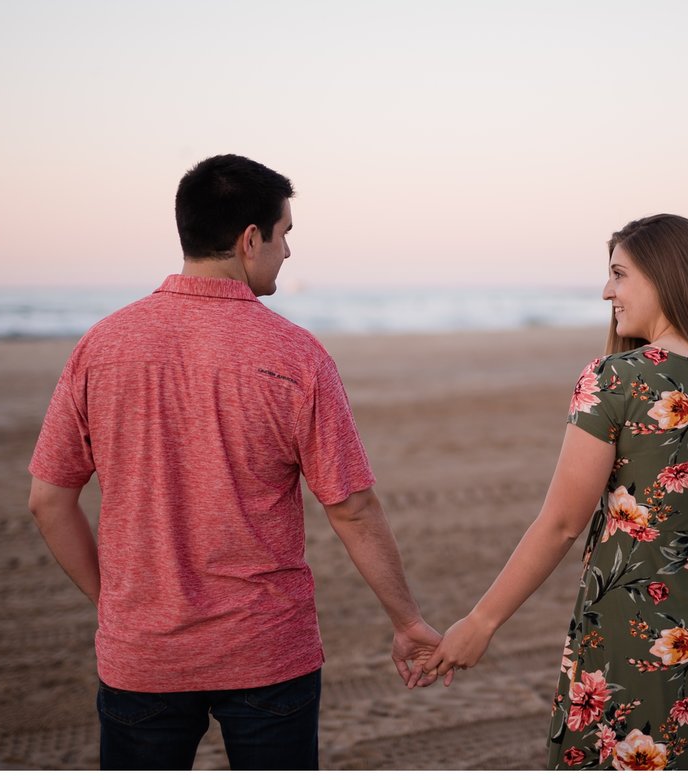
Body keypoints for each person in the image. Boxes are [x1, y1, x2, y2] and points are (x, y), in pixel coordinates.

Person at [26, 154, 443, 771]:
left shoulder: (102, 345)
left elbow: (48, 499)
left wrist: (114, 603)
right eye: (286, 234)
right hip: (267, 650)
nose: (289, 253)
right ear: (251, 239)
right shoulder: (297, 355)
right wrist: (407, 621)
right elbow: (351, 507)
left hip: (142, 652)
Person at [420, 214, 688, 770]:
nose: (607, 292)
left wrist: (480, 623)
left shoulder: (615, 380)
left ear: (664, 279)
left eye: (619, 275)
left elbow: (560, 524)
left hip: (629, 637)